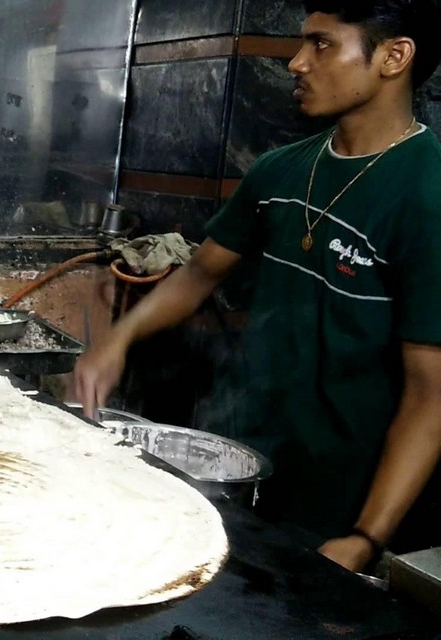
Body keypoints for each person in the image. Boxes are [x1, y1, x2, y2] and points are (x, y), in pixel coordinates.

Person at [74, 0, 441, 574]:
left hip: (343, 500)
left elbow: (431, 396)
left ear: (394, 57)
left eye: (322, 45)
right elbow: (199, 273)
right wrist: (117, 341)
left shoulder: (428, 194)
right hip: (246, 460)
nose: (296, 62)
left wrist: (366, 538)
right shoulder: (280, 170)